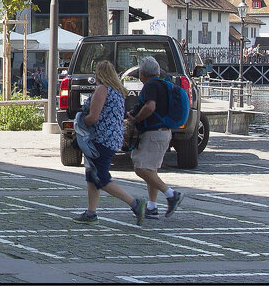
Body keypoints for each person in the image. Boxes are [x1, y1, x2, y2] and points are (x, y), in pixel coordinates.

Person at [73, 60, 146, 225]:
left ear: (99, 74)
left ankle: (135, 204)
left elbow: (93, 117)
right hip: (113, 139)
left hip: (100, 139)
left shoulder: (102, 90)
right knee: (92, 175)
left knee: (101, 178)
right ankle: (91, 212)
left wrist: (79, 122)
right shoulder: (118, 91)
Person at [126, 55, 185, 219]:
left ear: (143, 74)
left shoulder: (150, 85)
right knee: (151, 170)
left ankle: (171, 194)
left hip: (153, 132)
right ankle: (152, 206)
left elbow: (150, 106)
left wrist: (137, 118)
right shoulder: (164, 84)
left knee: (140, 168)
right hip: (164, 132)